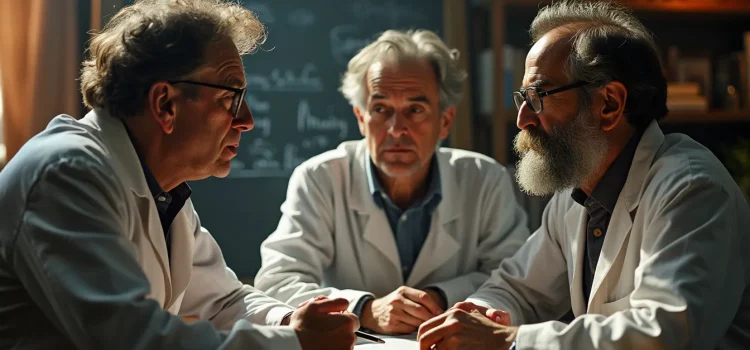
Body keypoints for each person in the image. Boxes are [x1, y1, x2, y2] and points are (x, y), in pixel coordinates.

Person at [0, 1, 358, 349]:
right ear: (165, 104)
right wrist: (294, 343)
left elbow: (222, 300)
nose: (247, 119)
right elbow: (132, 339)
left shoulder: (158, 186)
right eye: (231, 98)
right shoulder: (67, 173)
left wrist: (289, 321)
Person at [417, 1, 750, 349]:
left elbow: (664, 332)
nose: (523, 119)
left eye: (538, 95)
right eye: (522, 98)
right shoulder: (577, 191)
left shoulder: (692, 189)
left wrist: (509, 340)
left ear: (608, 103)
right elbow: (518, 289)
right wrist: (482, 313)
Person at [254, 29, 529, 336]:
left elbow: (514, 280)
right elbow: (278, 280)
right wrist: (365, 309)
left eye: (415, 110)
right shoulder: (320, 178)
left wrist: (439, 298)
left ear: (445, 121)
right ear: (361, 118)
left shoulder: (485, 179)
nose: (397, 129)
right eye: (381, 109)